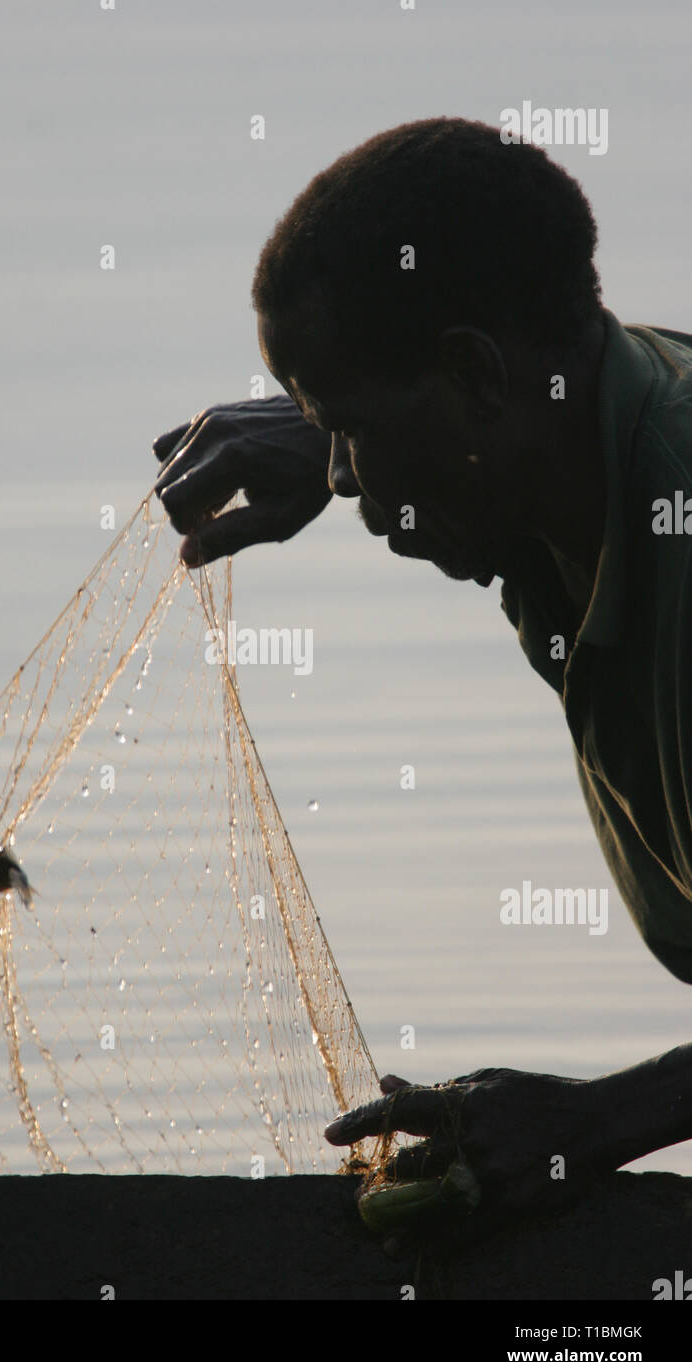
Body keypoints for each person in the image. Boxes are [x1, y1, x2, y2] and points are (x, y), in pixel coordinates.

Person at [153, 117, 692, 1228]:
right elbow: (536, 382)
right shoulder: (556, 441)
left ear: (472, 374)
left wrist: (597, 1122)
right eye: (323, 429)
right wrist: (342, 434)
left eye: (346, 429)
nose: (344, 483)